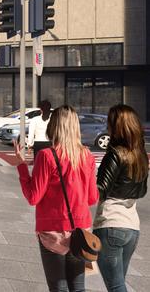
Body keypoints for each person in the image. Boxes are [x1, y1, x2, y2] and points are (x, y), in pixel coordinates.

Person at [14, 105, 98, 292]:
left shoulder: (46, 156)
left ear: (54, 126)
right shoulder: (87, 156)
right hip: (80, 232)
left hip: (53, 232)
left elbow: (33, 197)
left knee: (58, 288)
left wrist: (21, 166)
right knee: (78, 287)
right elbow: (92, 198)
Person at [93, 105, 148, 292]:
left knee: (116, 286)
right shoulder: (140, 155)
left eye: (109, 122)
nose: (107, 126)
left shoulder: (115, 153)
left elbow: (99, 190)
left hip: (111, 224)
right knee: (118, 284)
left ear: (117, 126)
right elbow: (142, 191)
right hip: (132, 226)